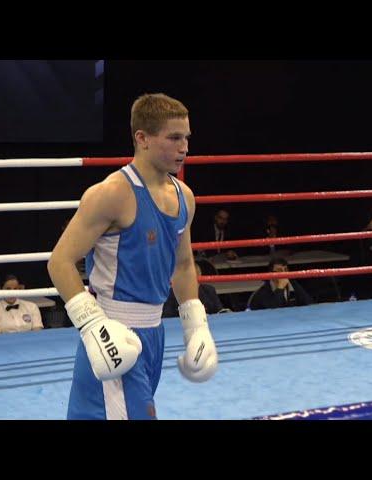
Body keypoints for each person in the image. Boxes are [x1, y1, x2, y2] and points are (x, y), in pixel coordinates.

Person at [47, 93, 218, 420]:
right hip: (114, 330)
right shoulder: (113, 193)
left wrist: (195, 325)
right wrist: (93, 325)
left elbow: (182, 265)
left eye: (186, 138)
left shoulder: (185, 197)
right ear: (142, 138)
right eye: (174, 138)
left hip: (154, 333)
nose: (185, 147)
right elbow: (60, 262)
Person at [162, 261, 228, 316]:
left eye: (192, 274)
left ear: (199, 274)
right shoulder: (172, 292)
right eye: (187, 275)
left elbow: (219, 311)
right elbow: (168, 317)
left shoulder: (209, 290)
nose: (189, 278)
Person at [247, 256, 314, 310]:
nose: (284, 273)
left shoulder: (291, 284)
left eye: (285, 270)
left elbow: (309, 302)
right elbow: (275, 311)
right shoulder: (262, 292)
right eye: (279, 270)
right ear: (271, 274)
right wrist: (280, 287)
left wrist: (292, 281)